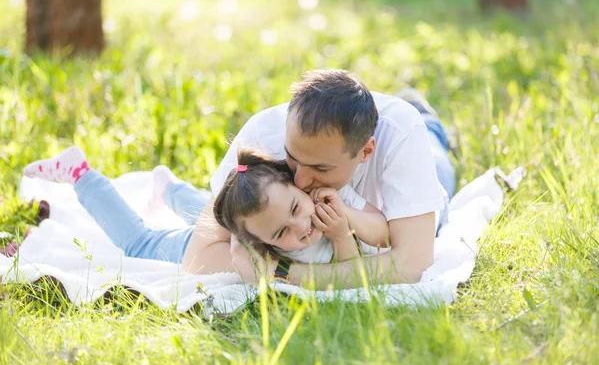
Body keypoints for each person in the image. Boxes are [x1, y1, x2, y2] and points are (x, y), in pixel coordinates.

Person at [182, 69, 456, 288]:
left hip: (418, 174)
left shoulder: (401, 133)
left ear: (365, 152)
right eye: (292, 159)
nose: (299, 183)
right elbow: (199, 258)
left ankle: (430, 122)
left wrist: (282, 273)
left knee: (438, 163)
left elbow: (412, 263)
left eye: (320, 168)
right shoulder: (261, 138)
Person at [22, 147, 390, 270]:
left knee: (227, 207)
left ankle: (170, 188)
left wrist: (341, 231)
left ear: (297, 186)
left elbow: (349, 275)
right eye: (281, 234)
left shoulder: (315, 209)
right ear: (259, 243)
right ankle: (80, 174)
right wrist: (341, 238)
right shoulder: (257, 252)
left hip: (232, 221)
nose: (301, 227)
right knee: (139, 244)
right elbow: (350, 277)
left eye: (297, 207)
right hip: (193, 245)